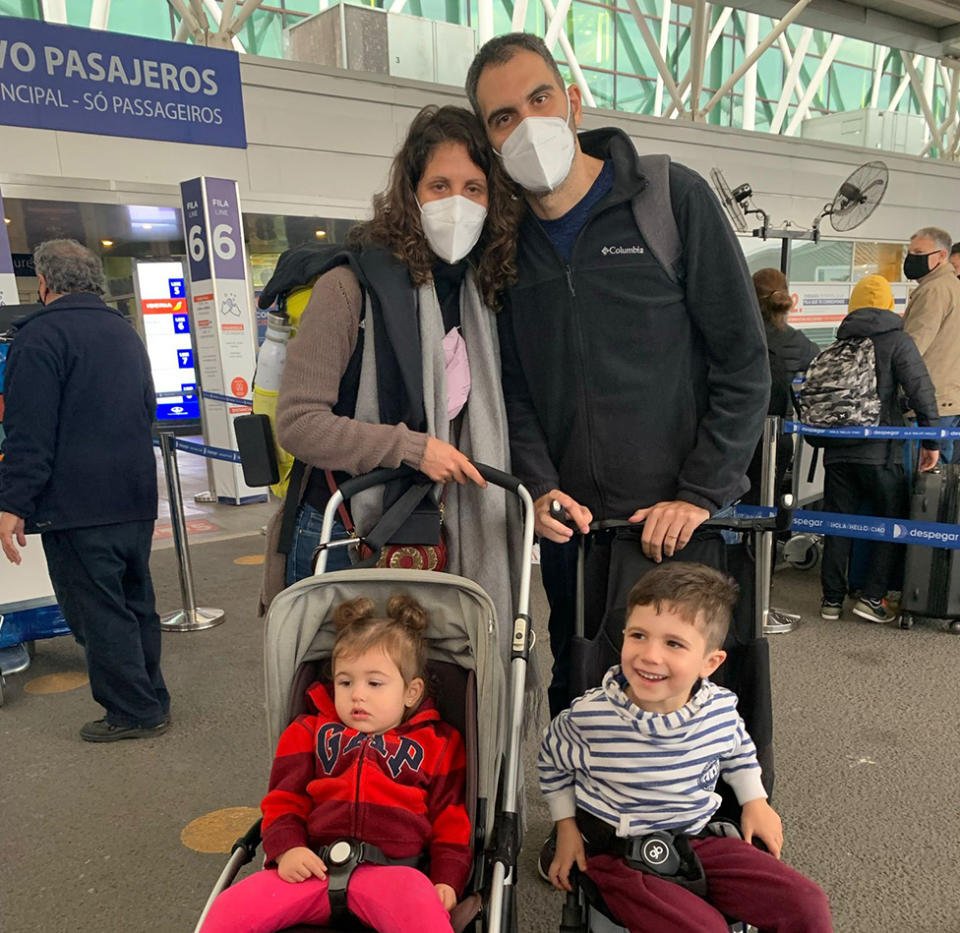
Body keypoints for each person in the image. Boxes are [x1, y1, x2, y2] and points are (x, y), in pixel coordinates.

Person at [464, 33, 769, 716]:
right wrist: (540, 488)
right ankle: (582, 826)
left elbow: (743, 360)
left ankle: (705, 824)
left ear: (571, 101)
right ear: (490, 140)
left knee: (689, 705)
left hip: (679, 529)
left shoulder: (669, 199)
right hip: (578, 535)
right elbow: (511, 387)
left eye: (538, 98)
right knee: (584, 692)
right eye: (503, 117)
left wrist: (699, 492)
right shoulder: (506, 246)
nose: (527, 123)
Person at [260, 105, 520, 643]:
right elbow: (299, 423)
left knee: (430, 706)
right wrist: (411, 447)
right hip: (345, 532)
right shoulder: (349, 286)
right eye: (440, 185)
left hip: (444, 535)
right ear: (410, 193)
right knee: (347, 709)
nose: (458, 203)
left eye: (474, 188)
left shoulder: (485, 297)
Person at [538, 562, 832, 933]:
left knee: (805, 904)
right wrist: (565, 828)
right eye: (638, 636)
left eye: (673, 643)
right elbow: (552, 763)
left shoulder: (719, 708)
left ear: (710, 662)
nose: (649, 655)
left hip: (697, 838)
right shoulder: (590, 717)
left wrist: (755, 800)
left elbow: (739, 750)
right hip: (618, 854)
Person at [200, 594, 471, 933]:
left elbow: (451, 820)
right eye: (345, 682)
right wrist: (288, 848)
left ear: (411, 693)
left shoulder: (438, 743)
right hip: (312, 866)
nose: (358, 694)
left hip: (395, 873)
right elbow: (284, 799)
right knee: (228, 910)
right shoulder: (308, 731)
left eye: (374, 683)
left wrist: (447, 878)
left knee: (423, 914)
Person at [0, 239, 168, 742]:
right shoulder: (124, 331)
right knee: (135, 600)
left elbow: (29, 434)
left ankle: (132, 711)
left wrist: (12, 504)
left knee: (97, 611)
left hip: (76, 504)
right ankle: (150, 697)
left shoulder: (39, 337)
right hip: (134, 496)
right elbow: (147, 409)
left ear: (44, 284)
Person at [817, 275, 939, 624]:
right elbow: (921, 391)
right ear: (890, 305)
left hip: (838, 452)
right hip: (881, 453)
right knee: (891, 523)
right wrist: (931, 442)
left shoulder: (839, 341)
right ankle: (872, 598)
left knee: (837, 524)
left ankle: (831, 600)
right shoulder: (898, 341)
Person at [744, 268, 818, 506]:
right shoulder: (799, 342)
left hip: (739, 432)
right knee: (767, 503)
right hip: (780, 434)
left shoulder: (740, 336)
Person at [902, 227, 960, 464]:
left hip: (930, 403)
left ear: (941, 256)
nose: (912, 257)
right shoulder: (952, 286)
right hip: (949, 399)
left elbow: (913, 348)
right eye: (910, 251)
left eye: (919, 252)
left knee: (922, 480)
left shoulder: (933, 291)